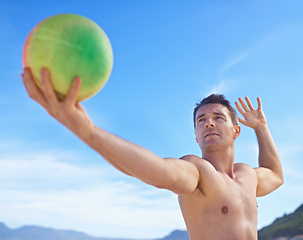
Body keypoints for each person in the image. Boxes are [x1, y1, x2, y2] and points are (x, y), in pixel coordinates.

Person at [21, 67, 284, 240]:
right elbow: (160, 171)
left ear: (237, 130)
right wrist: (89, 132)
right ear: (195, 135)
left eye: (218, 117)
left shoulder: (246, 175)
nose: (209, 123)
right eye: (201, 120)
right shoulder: (198, 171)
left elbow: (275, 174)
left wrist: (261, 127)